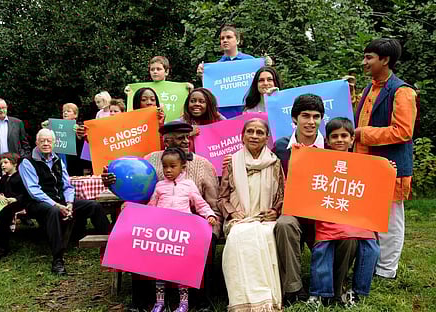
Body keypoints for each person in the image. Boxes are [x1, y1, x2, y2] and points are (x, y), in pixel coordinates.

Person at [102, 121, 221, 311]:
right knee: (136, 236)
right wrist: (113, 183)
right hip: (157, 223)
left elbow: (212, 204)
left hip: (192, 224)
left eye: (187, 137)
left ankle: (199, 302)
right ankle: (143, 301)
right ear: (166, 141)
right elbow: (136, 192)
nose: (185, 141)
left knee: (204, 241)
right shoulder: (148, 161)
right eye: (179, 138)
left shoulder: (203, 165)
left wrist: (212, 225)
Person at [271, 94, 357, 304]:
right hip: (295, 212)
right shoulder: (281, 147)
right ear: (294, 118)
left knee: (350, 236)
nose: (311, 122)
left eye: (316, 116)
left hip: (325, 214)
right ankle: (293, 288)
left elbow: (355, 176)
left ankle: (335, 290)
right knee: (284, 224)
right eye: (305, 116)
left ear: (322, 119)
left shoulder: (332, 146)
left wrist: (385, 171)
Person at [354, 38, 417, 279]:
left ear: (385, 60)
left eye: (369, 57)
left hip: (390, 166)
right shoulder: (370, 87)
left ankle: (387, 270)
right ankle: (371, 263)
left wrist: (362, 134)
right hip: (366, 164)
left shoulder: (403, 91)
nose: (364, 62)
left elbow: (403, 131)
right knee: (369, 216)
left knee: (390, 220)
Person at [307, 118, 380, 307]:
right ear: (328, 141)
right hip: (329, 216)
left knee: (372, 248)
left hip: (356, 217)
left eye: (344, 136)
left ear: (352, 139)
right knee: (322, 248)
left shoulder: (364, 163)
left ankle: (356, 292)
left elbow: (373, 187)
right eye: (334, 136)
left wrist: (388, 171)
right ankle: (319, 294)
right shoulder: (320, 160)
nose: (340, 140)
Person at [19, 129, 109, 275]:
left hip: (60, 201)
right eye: (42, 141)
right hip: (36, 203)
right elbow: (33, 191)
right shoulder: (27, 162)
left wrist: (69, 204)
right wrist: (58, 205)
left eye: (49, 141)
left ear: (54, 143)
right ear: (36, 143)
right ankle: (57, 259)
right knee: (53, 211)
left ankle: (110, 245)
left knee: (93, 206)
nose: (46, 143)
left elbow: (67, 185)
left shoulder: (58, 160)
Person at [218, 118, 284, 311]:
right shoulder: (232, 162)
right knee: (239, 236)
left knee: (265, 235)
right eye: (250, 131)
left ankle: (265, 299)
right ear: (242, 136)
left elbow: (282, 194)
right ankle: (243, 300)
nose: (254, 136)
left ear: (267, 138)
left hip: (265, 219)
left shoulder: (275, 163)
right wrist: (232, 213)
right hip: (239, 218)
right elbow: (222, 198)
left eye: (260, 132)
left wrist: (275, 211)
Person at [147, 147, 217, 312]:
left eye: (172, 166)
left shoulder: (189, 185)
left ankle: (183, 302)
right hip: (163, 234)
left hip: (181, 234)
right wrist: (144, 219)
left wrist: (209, 214)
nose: (168, 170)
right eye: (165, 166)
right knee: (160, 268)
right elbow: (151, 206)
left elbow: (200, 204)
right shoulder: (159, 186)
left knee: (181, 268)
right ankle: (160, 302)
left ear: (182, 167)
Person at [0, 152, 29, 260]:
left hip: (17, 203)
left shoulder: (21, 177)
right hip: (4, 203)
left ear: (15, 164)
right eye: (1, 163)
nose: (3, 165)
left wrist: (15, 199)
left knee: (2, 216)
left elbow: (26, 193)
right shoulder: (3, 178)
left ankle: (2, 246)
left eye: (6, 163)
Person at [179, 88, 226, 152]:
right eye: (192, 101)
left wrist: (216, 114)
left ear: (209, 105)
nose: (197, 104)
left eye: (201, 101)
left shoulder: (217, 121)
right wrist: (187, 134)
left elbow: (229, 130)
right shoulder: (181, 123)